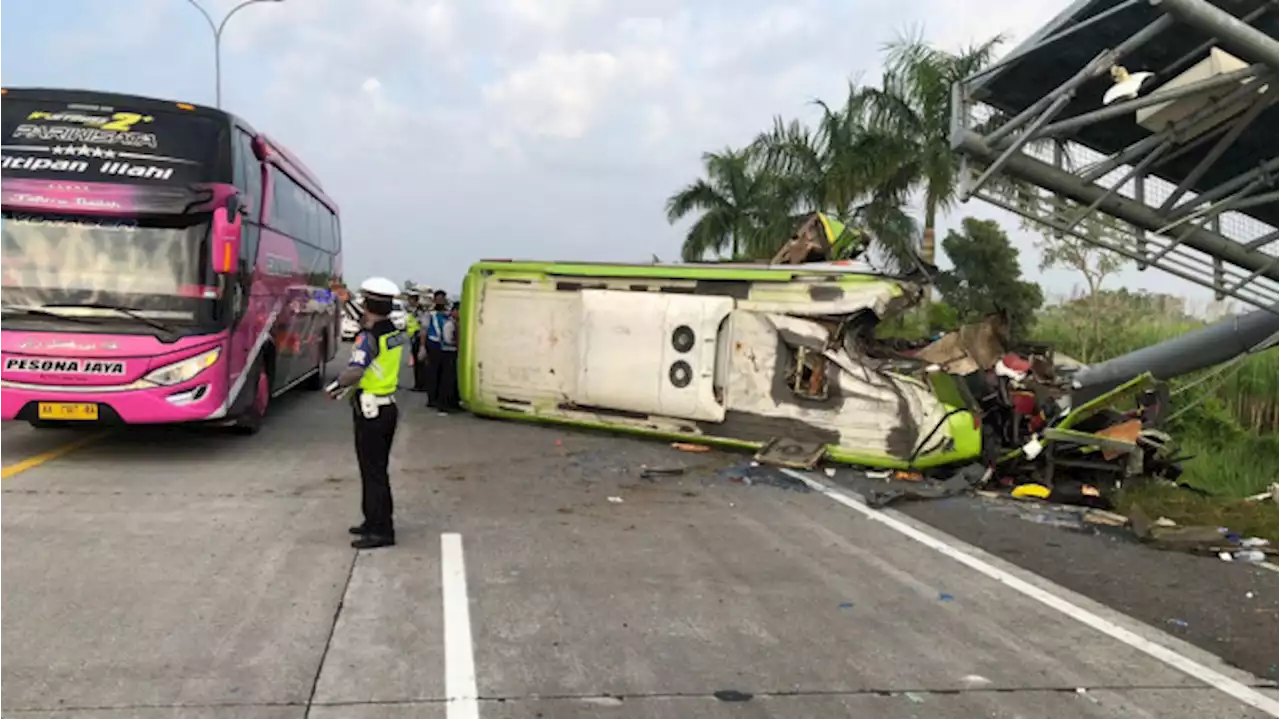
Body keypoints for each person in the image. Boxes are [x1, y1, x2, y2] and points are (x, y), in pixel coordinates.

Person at [326, 276, 405, 549]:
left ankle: (381, 531)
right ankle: (373, 520)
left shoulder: (368, 337)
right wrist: (346, 301)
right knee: (377, 471)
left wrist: (334, 387)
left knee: (372, 472)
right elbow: (367, 320)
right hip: (387, 407)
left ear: (368, 304)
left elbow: (355, 371)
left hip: (371, 411)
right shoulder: (393, 331)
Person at [423, 289, 449, 409]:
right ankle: (432, 398)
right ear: (434, 300)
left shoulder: (447, 314)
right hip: (433, 344)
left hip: (445, 346)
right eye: (438, 299)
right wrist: (422, 347)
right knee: (433, 372)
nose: (441, 301)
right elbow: (424, 330)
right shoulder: (430, 314)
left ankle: (440, 398)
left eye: (442, 299)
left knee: (443, 374)